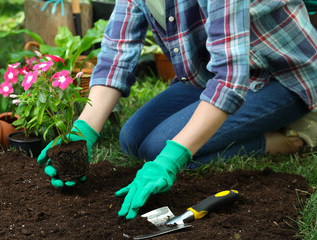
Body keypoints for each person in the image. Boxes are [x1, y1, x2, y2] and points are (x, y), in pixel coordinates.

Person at [37, 0, 317, 220]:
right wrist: (82, 130)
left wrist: (170, 159)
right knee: (132, 138)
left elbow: (231, 79)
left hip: (282, 76)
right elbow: (115, 58)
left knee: (159, 148)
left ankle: (291, 138)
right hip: (207, 76)